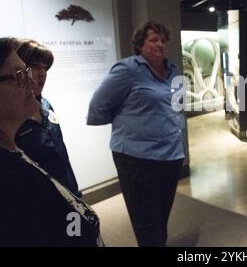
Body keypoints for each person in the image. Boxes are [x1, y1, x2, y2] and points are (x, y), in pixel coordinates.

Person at [87, 21, 186, 247]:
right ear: (140, 45)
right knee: (146, 220)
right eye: (153, 39)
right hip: (137, 159)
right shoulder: (128, 70)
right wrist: (131, 124)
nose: (160, 44)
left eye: (163, 40)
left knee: (161, 215)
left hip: (170, 156)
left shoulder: (173, 71)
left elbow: (177, 108)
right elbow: (98, 107)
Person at [0, 37, 102, 246]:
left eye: (45, 67)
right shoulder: (10, 173)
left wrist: (72, 195)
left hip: (64, 194)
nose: (38, 76)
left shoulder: (45, 105)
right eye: (26, 71)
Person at [15, 40, 81, 197]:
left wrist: (74, 192)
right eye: (36, 66)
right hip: (39, 203)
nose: (42, 73)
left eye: (45, 67)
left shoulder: (46, 104)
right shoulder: (12, 116)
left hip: (68, 192)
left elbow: (60, 153)